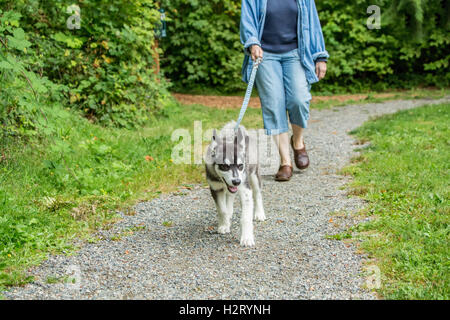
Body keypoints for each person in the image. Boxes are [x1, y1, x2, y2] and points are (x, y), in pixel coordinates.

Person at [240, 0, 329, 181]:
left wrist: (320, 55)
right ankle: (285, 162)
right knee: (273, 104)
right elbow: (247, 20)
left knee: (299, 99)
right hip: (265, 55)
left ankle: (297, 142)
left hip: (296, 53)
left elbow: (313, 23)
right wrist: (253, 43)